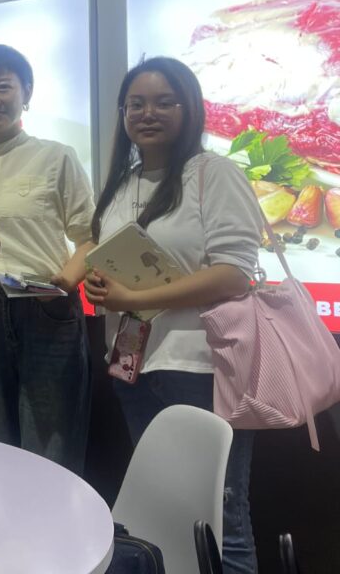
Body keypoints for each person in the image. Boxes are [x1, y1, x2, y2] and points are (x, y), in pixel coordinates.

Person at [84, 56, 261, 574]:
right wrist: (102, 286)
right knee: (162, 509)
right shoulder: (123, 183)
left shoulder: (213, 173)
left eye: (165, 102)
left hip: (201, 368)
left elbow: (234, 274)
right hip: (134, 368)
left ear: (190, 109)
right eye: (136, 104)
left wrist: (133, 299)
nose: (148, 113)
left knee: (221, 516)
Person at [0, 44, 95, 474]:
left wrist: (63, 285)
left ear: (26, 93)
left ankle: (53, 519)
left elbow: (90, 238)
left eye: (3, 87)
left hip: (46, 308)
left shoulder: (57, 156)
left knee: (51, 441)